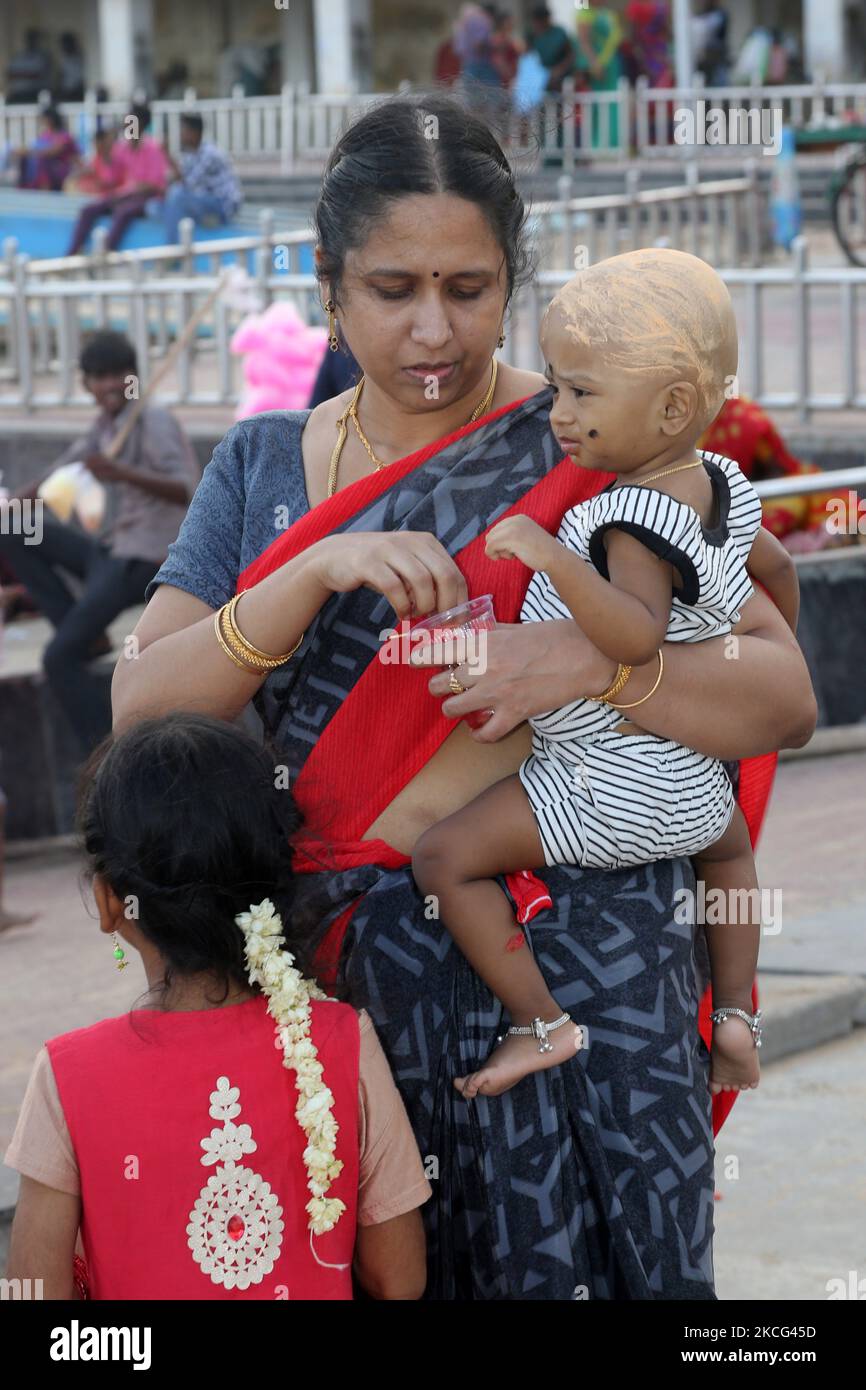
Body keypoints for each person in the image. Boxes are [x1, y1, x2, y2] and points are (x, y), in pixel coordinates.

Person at [111, 95, 817, 1300]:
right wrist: (308, 575)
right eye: (393, 290)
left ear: (512, 280)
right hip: (344, 987)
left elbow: (783, 695)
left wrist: (605, 665)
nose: (434, 330)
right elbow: (142, 711)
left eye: (469, 287)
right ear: (329, 288)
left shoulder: (590, 444)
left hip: (580, 958)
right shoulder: (263, 467)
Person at [412, 249, 800, 1100]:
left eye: (584, 393)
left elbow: (631, 635)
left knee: (444, 860)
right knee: (728, 857)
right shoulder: (723, 483)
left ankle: (538, 1022)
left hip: (604, 784)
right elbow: (772, 570)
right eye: (555, 387)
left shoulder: (626, 516)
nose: (561, 413)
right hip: (696, 786)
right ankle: (735, 1014)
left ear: (671, 407)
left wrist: (549, 550)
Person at [4, 712, 431, 1299]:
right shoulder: (339, 1039)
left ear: (109, 902)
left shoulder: (68, 1074)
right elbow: (399, 1278)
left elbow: (31, 1293)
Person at [0, 332, 199, 755]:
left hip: (146, 559)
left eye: (117, 376)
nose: (109, 385)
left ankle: (109, 756)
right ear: (87, 384)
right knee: (13, 529)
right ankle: (85, 634)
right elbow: (59, 475)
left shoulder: (154, 420)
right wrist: (11, 504)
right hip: (112, 549)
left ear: (133, 378)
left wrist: (120, 473)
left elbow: (186, 489)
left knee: (58, 660)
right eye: (98, 378)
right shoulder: (105, 426)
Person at [67, 104, 169, 255]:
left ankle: (105, 252)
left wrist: (131, 189)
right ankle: (73, 253)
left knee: (123, 211)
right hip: (124, 195)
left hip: (147, 198)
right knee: (89, 210)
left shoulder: (153, 149)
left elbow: (155, 185)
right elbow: (111, 176)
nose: (126, 124)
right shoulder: (122, 147)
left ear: (141, 124)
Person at [159, 113, 242, 245]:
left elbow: (187, 184)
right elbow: (174, 178)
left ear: (194, 133)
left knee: (177, 196)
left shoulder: (210, 154)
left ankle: (172, 249)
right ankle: (205, 219)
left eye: (184, 130)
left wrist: (167, 156)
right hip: (203, 200)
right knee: (154, 206)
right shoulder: (191, 154)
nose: (181, 134)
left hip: (222, 205)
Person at [574, 5, 624, 148]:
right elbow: (584, 42)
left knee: (613, 104)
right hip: (597, 67)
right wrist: (595, 64)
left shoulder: (606, 12)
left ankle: (613, 144)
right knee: (597, 105)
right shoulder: (585, 13)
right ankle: (598, 145)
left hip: (611, 66)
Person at [14, 107, 78, 192]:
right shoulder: (45, 135)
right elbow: (35, 147)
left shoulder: (64, 136)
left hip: (61, 168)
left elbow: (53, 152)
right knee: (24, 159)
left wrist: (31, 152)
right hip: (47, 167)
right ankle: (24, 188)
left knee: (42, 161)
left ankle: (45, 192)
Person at [526, 3, 577, 93]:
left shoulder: (559, 33)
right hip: (540, 77)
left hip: (561, 75)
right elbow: (528, 59)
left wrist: (559, 70)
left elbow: (571, 55)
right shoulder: (531, 35)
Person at [63, 124, 120, 196]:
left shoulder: (116, 157)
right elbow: (90, 170)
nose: (97, 146)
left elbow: (110, 181)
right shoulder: (97, 159)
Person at [5, 29, 53, 105]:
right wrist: (26, 74)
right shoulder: (19, 56)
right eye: (30, 39)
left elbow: (37, 75)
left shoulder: (42, 56)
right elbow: (9, 74)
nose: (31, 41)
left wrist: (20, 75)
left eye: (34, 39)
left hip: (34, 94)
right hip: (17, 94)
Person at [57, 32, 85, 102]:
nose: (64, 47)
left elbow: (79, 78)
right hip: (66, 91)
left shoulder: (78, 58)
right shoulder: (64, 58)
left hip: (77, 91)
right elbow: (62, 75)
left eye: (66, 44)